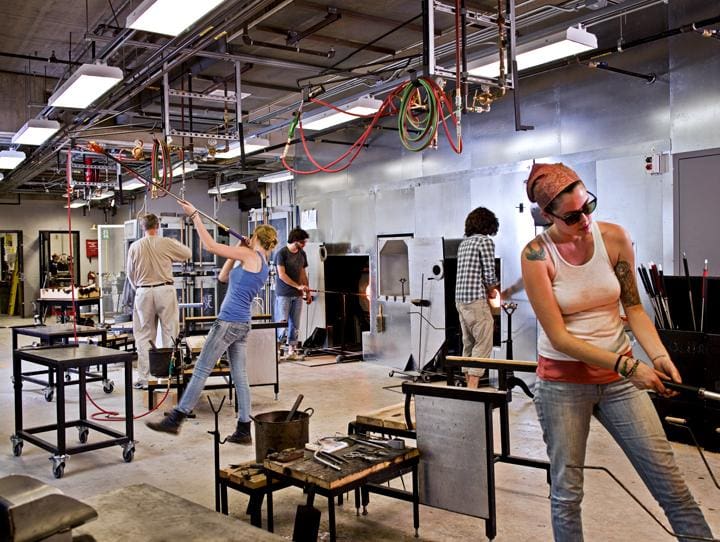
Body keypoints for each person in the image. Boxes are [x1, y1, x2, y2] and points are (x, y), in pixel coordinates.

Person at [521, 162, 713, 542]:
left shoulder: (614, 238)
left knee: (670, 483)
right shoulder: (536, 256)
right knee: (567, 492)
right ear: (548, 216)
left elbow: (635, 308)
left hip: (619, 381)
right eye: (573, 216)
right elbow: (559, 338)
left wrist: (658, 356)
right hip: (563, 385)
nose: (585, 220)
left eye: (588, 207)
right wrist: (630, 366)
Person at [146, 201, 278, 443]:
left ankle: (176, 417)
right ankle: (244, 428)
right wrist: (236, 248)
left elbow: (210, 245)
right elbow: (222, 276)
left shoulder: (249, 255)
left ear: (255, 237)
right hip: (242, 324)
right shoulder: (261, 264)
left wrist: (195, 215)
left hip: (227, 322)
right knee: (239, 376)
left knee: (201, 369)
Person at [126, 213, 191, 389]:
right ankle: (170, 374)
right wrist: (172, 249)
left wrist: (140, 288)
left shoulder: (135, 247)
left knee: (144, 335)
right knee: (170, 331)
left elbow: (130, 274)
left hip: (143, 291)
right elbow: (187, 253)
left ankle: (145, 379)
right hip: (165, 289)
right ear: (158, 225)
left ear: (142, 227)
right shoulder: (165, 242)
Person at [455, 207, 500, 388]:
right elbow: (489, 273)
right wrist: (493, 289)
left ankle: (468, 388)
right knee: (483, 342)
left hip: (460, 301)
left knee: (469, 343)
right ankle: (473, 390)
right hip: (475, 300)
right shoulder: (485, 242)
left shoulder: (464, 243)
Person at [274, 227, 310, 357]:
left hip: (298, 295)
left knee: (295, 323)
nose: (304, 244)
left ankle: (292, 350)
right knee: (282, 322)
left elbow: (302, 273)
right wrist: (297, 286)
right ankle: (277, 349)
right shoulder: (281, 254)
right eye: (302, 242)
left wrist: (307, 291)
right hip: (283, 294)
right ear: (295, 241)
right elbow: (282, 275)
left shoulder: (302, 254)